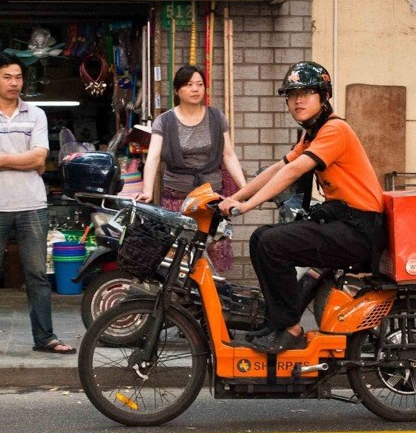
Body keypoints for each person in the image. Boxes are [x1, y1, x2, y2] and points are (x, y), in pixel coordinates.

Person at [219, 61, 384, 353]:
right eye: (292, 95)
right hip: (343, 223)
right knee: (260, 238)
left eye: (307, 93)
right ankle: (276, 322)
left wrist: (246, 207)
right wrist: (235, 198)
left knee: (272, 243)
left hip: (359, 230)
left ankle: (290, 327)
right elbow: (278, 168)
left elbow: (292, 173)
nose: (298, 101)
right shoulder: (313, 134)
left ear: (324, 97)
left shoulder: (335, 130)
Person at [0, 54, 75, 358]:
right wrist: (16, 160)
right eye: (7, 77)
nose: (14, 83)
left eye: (19, 77)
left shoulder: (35, 114)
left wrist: (0, 159)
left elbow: (39, 159)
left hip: (31, 204)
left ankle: (45, 336)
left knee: (37, 275)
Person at [137, 65, 247, 271]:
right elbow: (153, 157)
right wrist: (147, 191)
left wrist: (244, 187)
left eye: (199, 84)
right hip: (177, 197)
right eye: (189, 85)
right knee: (177, 254)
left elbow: (229, 154)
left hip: (211, 198)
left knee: (210, 250)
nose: (195, 89)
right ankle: (178, 297)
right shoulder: (165, 121)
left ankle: (209, 296)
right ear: (177, 91)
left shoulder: (216, 117)